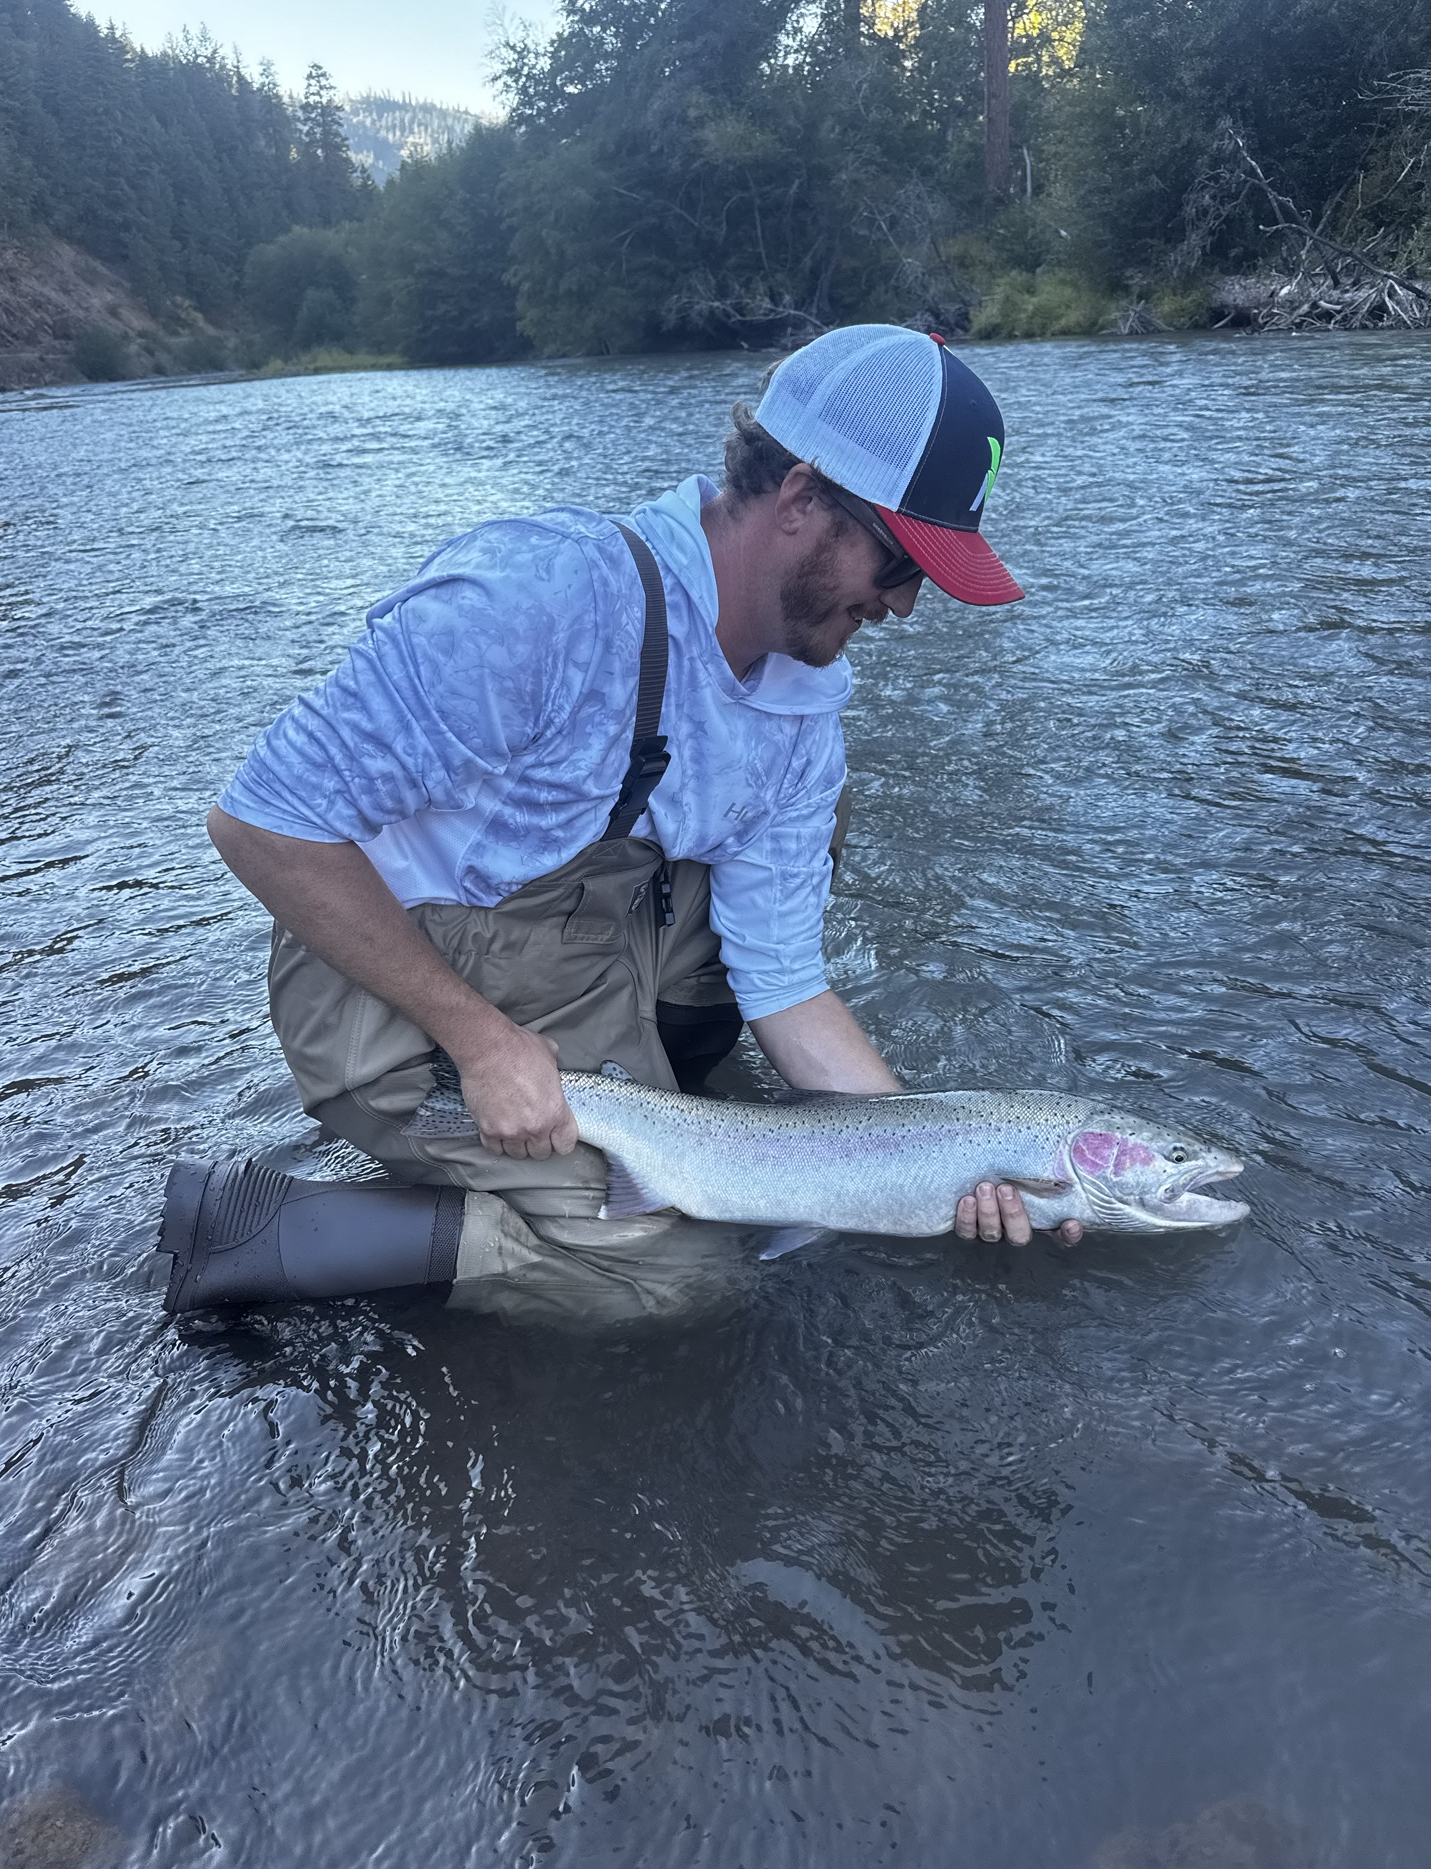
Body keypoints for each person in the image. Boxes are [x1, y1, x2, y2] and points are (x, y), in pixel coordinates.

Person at [161, 323, 1081, 1320]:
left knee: (821, 834)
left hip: (580, 959)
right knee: (679, 1275)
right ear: (804, 499)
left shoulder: (801, 720)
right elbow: (259, 823)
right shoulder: (539, 603)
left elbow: (785, 982)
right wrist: (480, 1043)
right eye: (901, 566)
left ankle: (629, 1112)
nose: (903, 607)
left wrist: (936, 1168)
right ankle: (271, 1226)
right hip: (389, 983)